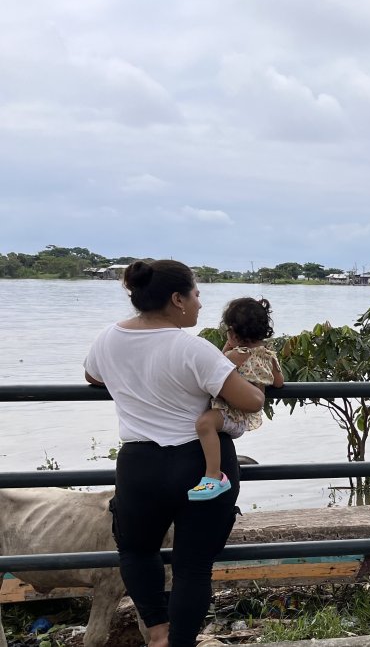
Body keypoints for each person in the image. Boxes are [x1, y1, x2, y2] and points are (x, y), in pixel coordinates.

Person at [83, 259, 265, 647]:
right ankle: (180, 643)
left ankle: (158, 634)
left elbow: (93, 376)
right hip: (199, 465)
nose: (200, 303)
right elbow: (249, 401)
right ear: (177, 299)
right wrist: (241, 373)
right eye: (197, 294)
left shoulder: (107, 338)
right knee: (193, 566)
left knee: (136, 550)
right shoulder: (194, 348)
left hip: (139, 465)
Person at [191, 298, 284, 500]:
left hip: (229, 414)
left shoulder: (233, 356)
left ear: (232, 334)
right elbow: (278, 382)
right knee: (205, 424)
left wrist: (228, 346)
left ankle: (213, 476)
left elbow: (214, 370)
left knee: (204, 424)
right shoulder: (269, 355)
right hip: (244, 417)